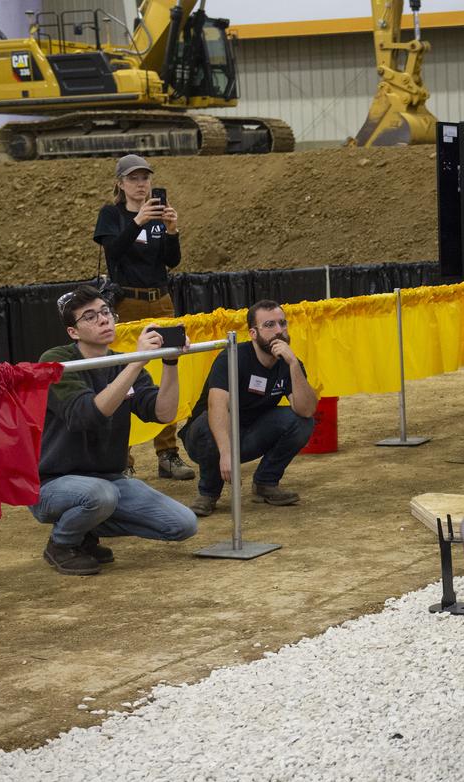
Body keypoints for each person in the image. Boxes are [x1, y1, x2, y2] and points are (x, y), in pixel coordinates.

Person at [32, 285, 199, 576]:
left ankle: (85, 530)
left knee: (183, 524)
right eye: (90, 316)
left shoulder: (122, 363)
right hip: (53, 484)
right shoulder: (57, 361)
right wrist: (134, 363)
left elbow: (164, 413)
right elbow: (87, 415)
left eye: (106, 312)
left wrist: (171, 362)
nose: (103, 320)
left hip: (108, 480)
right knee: (101, 495)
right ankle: (62, 542)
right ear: (73, 332)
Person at [93, 153, 195, 482]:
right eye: (134, 179)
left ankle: (167, 453)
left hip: (160, 300)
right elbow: (114, 252)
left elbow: (171, 261)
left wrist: (171, 230)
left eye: (145, 178)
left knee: (168, 370)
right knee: (122, 376)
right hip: (127, 302)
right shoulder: (111, 215)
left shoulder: (156, 217)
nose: (141, 184)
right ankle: (121, 457)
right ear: (120, 184)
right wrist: (137, 222)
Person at [181, 300, 318, 517]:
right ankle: (208, 493)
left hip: (250, 434)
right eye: (270, 325)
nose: (279, 331)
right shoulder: (233, 357)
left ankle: (265, 482)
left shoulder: (288, 362)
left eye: (283, 323)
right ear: (253, 333)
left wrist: (293, 365)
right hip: (207, 437)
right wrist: (226, 453)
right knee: (208, 423)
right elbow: (217, 405)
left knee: (301, 422)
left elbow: (307, 410)